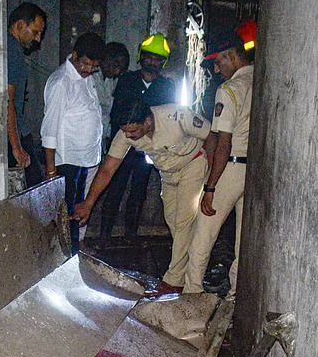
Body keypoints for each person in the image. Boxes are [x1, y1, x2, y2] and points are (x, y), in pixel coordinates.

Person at [72, 98, 210, 297]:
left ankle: (174, 282)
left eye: (133, 132)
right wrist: (88, 203)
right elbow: (108, 169)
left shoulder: (178, 116)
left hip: (193, 164)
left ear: (148, 122)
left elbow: (213, 135)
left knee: (183, 223)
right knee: (174, 223)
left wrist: (212, 177)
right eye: (126, 132)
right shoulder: (126, 132)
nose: (129, 136)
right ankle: (189, 268)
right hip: (167, 173)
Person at [183, 26, 254, 295]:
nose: (217, 68)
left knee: (203, 236)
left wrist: (210, 187)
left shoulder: (229, 89)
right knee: (242, 245)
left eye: (219, 61)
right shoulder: (262, 80)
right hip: (255, 171)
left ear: (232, 56)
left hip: (232, 168)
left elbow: (223, 142)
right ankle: (235, 300)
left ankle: (191, 297)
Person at [100, 33, 177, 245]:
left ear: (163, 63)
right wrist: (112, 139)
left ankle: (131, 236)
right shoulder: (127, 80)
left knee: (139, 191)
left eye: (157, 59)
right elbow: (115, 113)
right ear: (141, 57)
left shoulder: (167, 87)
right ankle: (105, 235)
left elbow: (170, 119)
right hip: (124, 145)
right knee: (115, 188)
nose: (152, 62)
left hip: (148, 150)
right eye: (149, 57)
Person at [41, 33, 106, 255]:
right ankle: (65, 257)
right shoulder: (62, 82)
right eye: (86, 64)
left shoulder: (87, 79)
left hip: (84, 160)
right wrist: (51, 170)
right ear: (75, 55)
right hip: (66, 162)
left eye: (94, 66)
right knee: (66, 215)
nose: (89, 70)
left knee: (78, 212)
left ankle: (74, 253)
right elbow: (49, 128)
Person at [80, 42, 129, 241]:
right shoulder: (89, 77)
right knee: (83, 192)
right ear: (106, 60)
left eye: (121, 68)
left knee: (95, 187)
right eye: (115, 65)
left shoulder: (114, 81)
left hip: (103, 141)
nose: (117, 71)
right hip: (84, 142)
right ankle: (78, 239)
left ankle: (84, 237)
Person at [7, 2, 47, 188]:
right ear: (20, 25)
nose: (38, 39)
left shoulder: (10, 49)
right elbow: (8, 101)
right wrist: (16, 147)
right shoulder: (13, 52)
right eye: (35, 32)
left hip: (18, 130)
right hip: (16, 132)